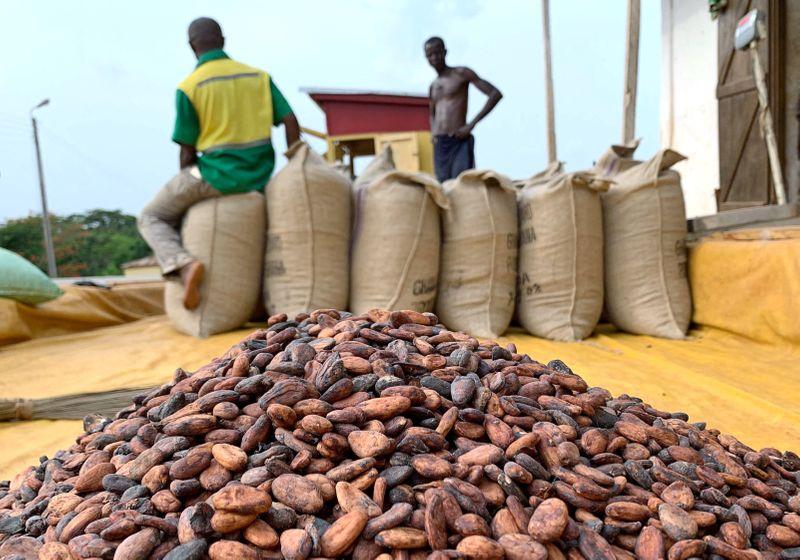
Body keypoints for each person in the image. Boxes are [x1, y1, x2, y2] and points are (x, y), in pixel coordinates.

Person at [138, 17, 300, 310]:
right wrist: (294, 164)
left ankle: (182, 264)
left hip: (213, 176)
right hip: (259, 175)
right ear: (223, 40)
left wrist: (186, 186)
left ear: (191, 47)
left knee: (151, 216)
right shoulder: (258, 76)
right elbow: (290, 120)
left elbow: (187, 153)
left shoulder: (190, 86)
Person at [425, 36, 502, 183]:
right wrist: (434, 133)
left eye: (437, 53)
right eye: (429, 55)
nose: (434, 58)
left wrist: (471, 125)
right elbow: (432, 112)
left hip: (459, 139)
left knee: (463, 185)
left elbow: (495, 94)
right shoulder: (433, 86)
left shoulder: (460, 74)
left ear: (444, 52)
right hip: (441, 144)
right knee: (442, 188)